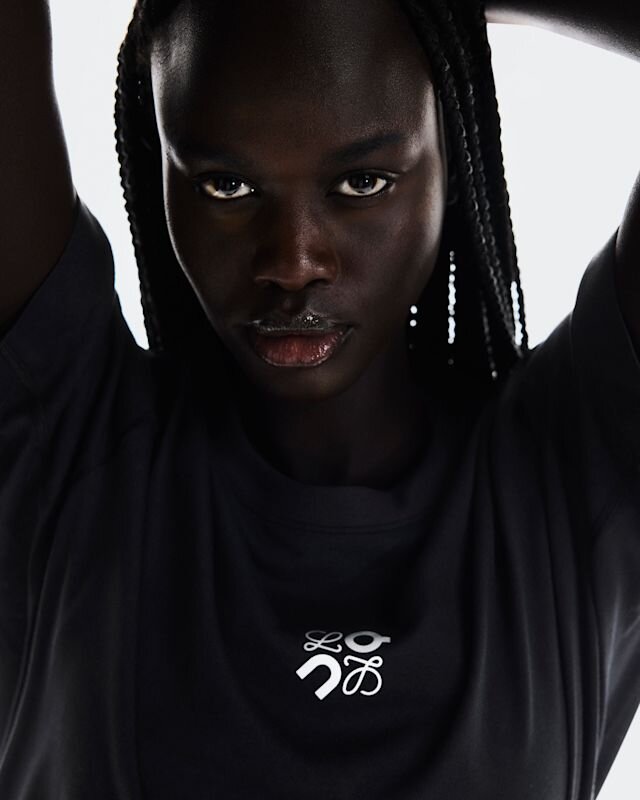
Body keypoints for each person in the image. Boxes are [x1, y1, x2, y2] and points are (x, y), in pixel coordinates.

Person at [0, 0, 639, 797]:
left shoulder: (572, 476)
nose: (293, 261)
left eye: (362, 182)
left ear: (451, 158)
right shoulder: (65, 446)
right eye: (227, 185)